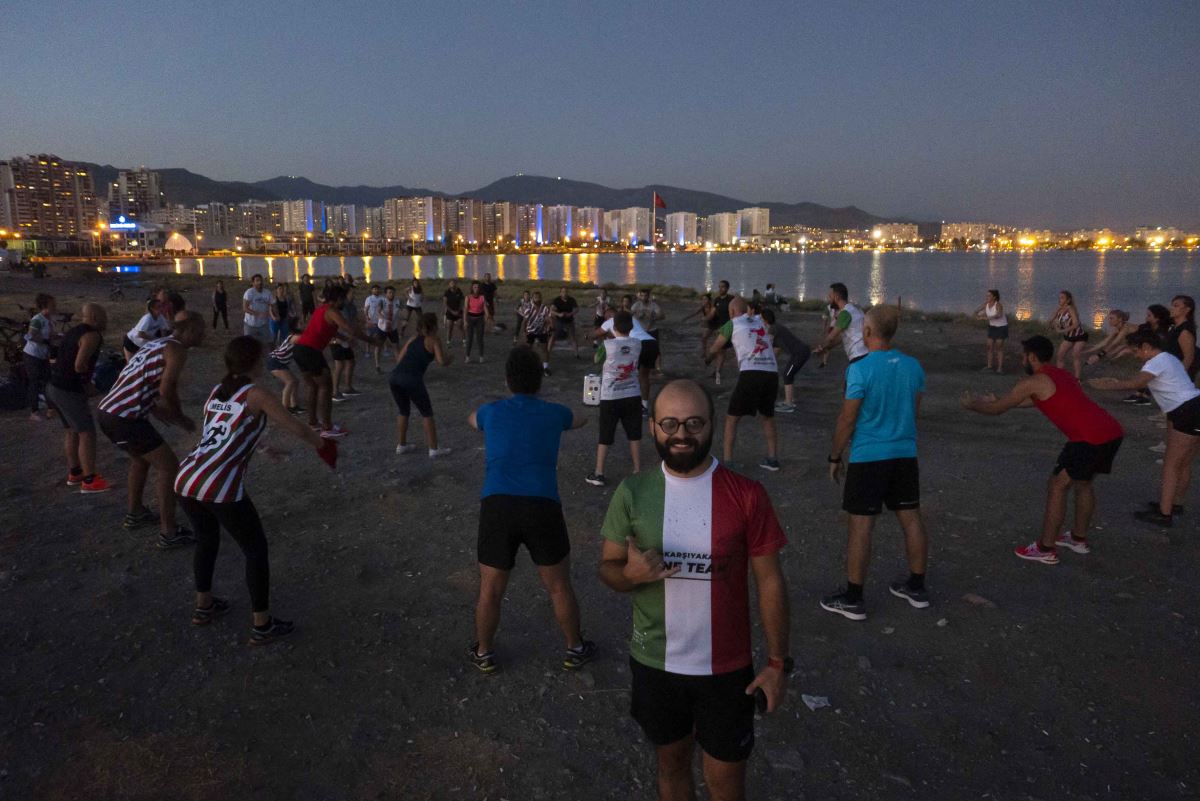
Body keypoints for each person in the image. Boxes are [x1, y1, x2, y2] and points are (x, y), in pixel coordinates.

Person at [598, 378, 791, 801]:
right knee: (671, 766)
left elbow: (770, 581)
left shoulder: (747, 495)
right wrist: (629, 575)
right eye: (669, 424)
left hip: (725, 672)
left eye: (693, 423)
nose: (681, 434)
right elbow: (608, 569)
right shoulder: (632, 492)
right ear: (652, 427)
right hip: (655, 665)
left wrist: (777, 663)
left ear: (712, 424)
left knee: (725, 783)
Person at [175, 336, 339, 645]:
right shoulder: (256, 394)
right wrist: (324, 446)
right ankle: (262, 625)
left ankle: (204, 606)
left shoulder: (217, 391)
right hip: (218, 483)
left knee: (206, 541)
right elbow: (296, 426)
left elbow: (221, 431)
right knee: (255, 550)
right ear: (253, 362)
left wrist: (263, 448)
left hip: (187, 478)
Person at [467, 347, 592, 674]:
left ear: (507, 381)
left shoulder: (491, 412)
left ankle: (484, 652)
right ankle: (574, 647)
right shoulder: (553, 413)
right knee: (558, 585)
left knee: (490, 589)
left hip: (498, 505)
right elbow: (582, 416)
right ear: (540, 381)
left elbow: (472, 420)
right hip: (542, 504)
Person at [962, 335, 1123, 563]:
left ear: (1032, 357)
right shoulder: (1059, 373)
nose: (1021, 361)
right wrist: (1001, 399)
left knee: (1057, 486)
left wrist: (975, 405)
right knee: (1083, 483)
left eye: (1023, 356)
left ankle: (1045, 548)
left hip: (1087, 439)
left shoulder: (1033, 381)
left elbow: (998, 409)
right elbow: (1037, 399)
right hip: (1110, 432)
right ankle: (1077, 539)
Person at [821, 306, 929, 620]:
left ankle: (854, 597)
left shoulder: (860, 368)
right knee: (911, 519)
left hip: (869, 457)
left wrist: (835, 455)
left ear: (868, 332)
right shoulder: (913, 366)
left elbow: (847, 418)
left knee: (861, 526)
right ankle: (917, 587)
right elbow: (914, 409)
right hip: (904, 455)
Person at [97, 312, 207, 549]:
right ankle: (169, 532)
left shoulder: (157, 344)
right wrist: (180, 417)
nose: (203, 335)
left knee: (141, 460)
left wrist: (156, 410)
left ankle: (135, 513)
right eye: (200, 330)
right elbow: (168, 388)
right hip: (125, 418)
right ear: (188, 331)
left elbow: (141, 379)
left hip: (108, 411)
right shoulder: (176, 349)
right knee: (169, 467)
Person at [1089, 329, 1200, 528]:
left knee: (1171, 464)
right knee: (1183, 463)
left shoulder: (1156, 361)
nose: (1136, 356)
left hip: (1186, 411)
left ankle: (1164, 514)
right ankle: (1175, 504)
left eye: (1136, 351)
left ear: (1146, 347)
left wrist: (1106, 386)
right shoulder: (1169, 358)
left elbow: (1137, 383)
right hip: (1192, 407)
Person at [706, 298, 781, 471]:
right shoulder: (759, 321)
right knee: (767, 416)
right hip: (771, 372)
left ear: (732, 312)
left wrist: (708, 357)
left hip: (751, 373)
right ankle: (772, 458)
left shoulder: (732, 324)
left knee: (732, 418)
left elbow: (716, 346)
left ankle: (728, 461)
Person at [46, 302, 111, 494]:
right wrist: (88, 385)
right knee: (86, 433)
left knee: (71, 431)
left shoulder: (73, 331)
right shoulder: (92, 335)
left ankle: (75, 473)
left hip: (54, 386)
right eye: (103, 317)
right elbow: (80, 365)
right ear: (95, 318)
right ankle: (90, 480)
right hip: (69, 390)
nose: (106, 321)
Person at [291, 285, 369, 439]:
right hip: (310, 351)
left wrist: (346, 340)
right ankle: (327, 426)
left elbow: (330, 330)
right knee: (326, 385)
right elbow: (348, 328)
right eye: (344, 298)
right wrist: (371, 340)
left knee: (312, 386)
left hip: (300, 349)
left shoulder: (322, 309)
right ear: (338, 298)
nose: (345, 302)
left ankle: (313, 423)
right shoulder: (332, 311)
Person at [587, 311, 643, 487]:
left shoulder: (607, 344)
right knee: (634, 433)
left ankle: (599, 472)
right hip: (632, 393)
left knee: (605, 434)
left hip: (610, 396)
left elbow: (597, 359)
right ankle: (637, 470)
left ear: (614, 327)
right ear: (632, 326)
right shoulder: (638, 343)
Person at [390, 312, 454, 458]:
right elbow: (441, 362)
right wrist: (450, 358)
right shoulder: (434, 340)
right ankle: (433, 448)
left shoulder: (413, 338)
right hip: (412, 379)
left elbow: (399, 359)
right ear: (434, 326)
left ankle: (401, 445)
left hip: (395, 377)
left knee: (403, 411)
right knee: (427, 413)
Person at [598, 304, 658, 416]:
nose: (605, 318)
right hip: (652, 343)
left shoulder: (612, 320)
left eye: (606, 315)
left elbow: (597, 333)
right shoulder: (631, 319)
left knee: (627, 373)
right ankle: (644, 407)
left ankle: (624, 403)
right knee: (644, 376)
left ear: (611, 313)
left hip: (638, 344)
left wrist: (587, 336)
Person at [761, 308, 810, 413]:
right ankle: (789, 400)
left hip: (800, 353)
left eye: (761, 318)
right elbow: (775, 350)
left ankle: (789, 404)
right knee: (788, 374)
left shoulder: (773, 328)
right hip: (798, 353)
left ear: (765, 320)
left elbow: (767, 345)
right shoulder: (776, 327)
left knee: (787, 375)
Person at [812, 282, 867, 368]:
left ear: (837, 297)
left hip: (858, 355)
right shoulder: (856, 310)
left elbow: (831, 337)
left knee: (852, 381)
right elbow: (841, 337)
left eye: (830, 296)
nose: (828, 299)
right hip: (867, 353)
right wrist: (827, 348)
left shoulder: (845, 313)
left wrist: (820, 347)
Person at [23, 293, 56, 421]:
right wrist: (47, 341)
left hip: (43, 355)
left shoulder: (49, 319)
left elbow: (51, 334)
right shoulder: (38, 319)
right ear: (45, 305)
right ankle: (34, 411)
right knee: (34, 382)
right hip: (32, 355)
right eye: (52, 304)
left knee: (48, 381)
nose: (55, 306)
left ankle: (51, 408)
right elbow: (31, 336)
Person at [331, 284, 363, 401]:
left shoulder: (352, 307)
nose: (353, 295)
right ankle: (335, 391)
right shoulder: (339, 307)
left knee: (351, 362)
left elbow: (353, 322)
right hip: (337, 339)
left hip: (347, 338)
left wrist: (356, 334)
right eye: (351, 293)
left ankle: (348, 388)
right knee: (339, 365)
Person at [266, 323, 303, 414]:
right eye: (301, 323)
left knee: (295, 381)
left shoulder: (295, 335)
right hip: (275, 361)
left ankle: (294, 405)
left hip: (279, 361)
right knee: (290, 382)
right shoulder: (297, 337)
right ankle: (285, 408)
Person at [1052, 290, 1088, 379]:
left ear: (1068, 300)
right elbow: (1051, 320)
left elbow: (1076, 324)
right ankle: (1060, 377)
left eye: (1062, 298)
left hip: (1079, 336)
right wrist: (1055, 325)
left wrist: (1062, 331)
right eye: (1059, 297)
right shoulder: (1059, 309)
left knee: (1075, 355)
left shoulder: (1070, 308)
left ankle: (1077, 379)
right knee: (1060, 355)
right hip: (1069, 337)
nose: (1060, 299)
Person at [973, 289, 1008, 373]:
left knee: (999, 347)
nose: (987, 297)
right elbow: (976, 311)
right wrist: (977, 315)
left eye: (989, 295)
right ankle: (989, 367)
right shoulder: (986, 304)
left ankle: (1000, 368)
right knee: (989, 346)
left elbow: (998, 315)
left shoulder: (998, 305)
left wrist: (985, 317)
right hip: (992, 327)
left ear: (994, 297)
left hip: (1001, 327)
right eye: (987, 295)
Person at [1164, 294, 1197, 380]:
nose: (1171, 308)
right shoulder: (1174, 327)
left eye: (1176, 306)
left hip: (1180, 377)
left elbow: (1188, 358)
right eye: (1172, 305)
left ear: (1187, 310)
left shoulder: (1184, 331)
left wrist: (1176, 377)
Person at [632, 288, 664, 371]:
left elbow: (662, 316)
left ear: (648, 296)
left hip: (652, 330)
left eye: (645, 296)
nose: (643, 298)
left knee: (656, 350)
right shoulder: (636, 305)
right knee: (638, 349)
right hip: (640, 331)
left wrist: (654, 316)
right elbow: (629, 314)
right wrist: (638, 315)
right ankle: (637, 366)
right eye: (642, 296)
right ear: (639, 296)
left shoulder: (653, 305)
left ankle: (658, 368)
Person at [373, 286, 402, 373]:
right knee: (378, 346)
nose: (391, 294)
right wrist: (382, 317)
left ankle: (399, 366)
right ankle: (377, 366)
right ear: (386, 294)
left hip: (393, 328)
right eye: (389, 293)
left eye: (393, 292)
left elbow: (403, 310)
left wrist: (405, 320)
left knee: (396, 346)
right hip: (382, 328)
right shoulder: (382, 301)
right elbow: (378, 311)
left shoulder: (397, 302)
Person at [709, 281, 734, 384]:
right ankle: (717, 371)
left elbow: (736, 314)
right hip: (721, 328)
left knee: (718, 350)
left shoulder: (731, 299)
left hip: (731, 328)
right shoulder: (717, 300)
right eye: (719, 287)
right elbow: (712, 313)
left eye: (722, 287)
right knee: (721, 351)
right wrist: (706, 319)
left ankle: (713, 366)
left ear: (727, 288)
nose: (720, 289)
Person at [523, 291, 553, 375]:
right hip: (530, 331)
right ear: (532, 299)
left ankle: (545, 368)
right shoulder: (529, 308)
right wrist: (524, 332)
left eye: (539, 297)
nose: (537, 299)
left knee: (544, 350)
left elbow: (549, 318)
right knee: (528, 350)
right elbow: (524, 321)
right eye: (535, 297)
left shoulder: (545, 308)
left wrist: (551, 326)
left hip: (542, 331)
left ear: (541, 298)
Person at [548, 286, 581, 360]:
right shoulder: (557, 300)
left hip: (569, 321)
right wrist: (559, 314)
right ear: (560, 293)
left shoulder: (571, 300)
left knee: (572, 337)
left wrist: (571, 314)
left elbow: (577, 309)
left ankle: (576, 354)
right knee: (553, 336)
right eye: (563, 292)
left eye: (566, 291)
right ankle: (548, 352)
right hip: (559, 321)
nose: (564, 293)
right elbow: (551, 310)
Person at [241, 274, 273, 344]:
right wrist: (258, 314)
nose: (260, 282)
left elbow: (271, 305)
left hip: (263, 324)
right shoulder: (249, 293)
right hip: (250, 324)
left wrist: (273, 314)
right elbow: (245, 308)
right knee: (249, 343)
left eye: (261, 280)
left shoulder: (267, 293)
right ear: (253, 283)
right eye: (257, 281)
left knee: (268, 342)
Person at [465, 280, 488, 363]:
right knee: (470, 338)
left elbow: (485, 308)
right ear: (472, 288)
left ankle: (481, 356)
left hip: (480, 318)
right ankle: (467, 357)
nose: (476, 289)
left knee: (480, 339)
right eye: (474, 287)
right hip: (470, 318)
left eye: (477, 287)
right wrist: (465, 321)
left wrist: (487, 316)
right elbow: (465, 309)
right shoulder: (468, 297)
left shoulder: (482, 297)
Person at [362, 284, 385, 357]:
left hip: (380, 321)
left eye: (377, 289)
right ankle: (367, 351)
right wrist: (367, 318)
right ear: (372, 290)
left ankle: (383, 350)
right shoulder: (369, 298)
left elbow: (384, 308)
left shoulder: (382, 298)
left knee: (381, 336)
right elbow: (366, 309)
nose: (376, 290)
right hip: (371, 321)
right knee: (369, 336)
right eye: (374, 289)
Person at [442, 278, 466, 347]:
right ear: (449, 284)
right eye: (451, 283)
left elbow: (462, 302)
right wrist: (452, 311)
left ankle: (464, 341)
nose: (453, 284)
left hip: (458, 312)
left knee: (460, 326)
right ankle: (448, 341)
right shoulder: (447, 292)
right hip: (450, 312)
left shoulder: (459, 291)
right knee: (450, 327)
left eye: (454, 283)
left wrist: (458, 310)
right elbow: (445, 303)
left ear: (456, 284)